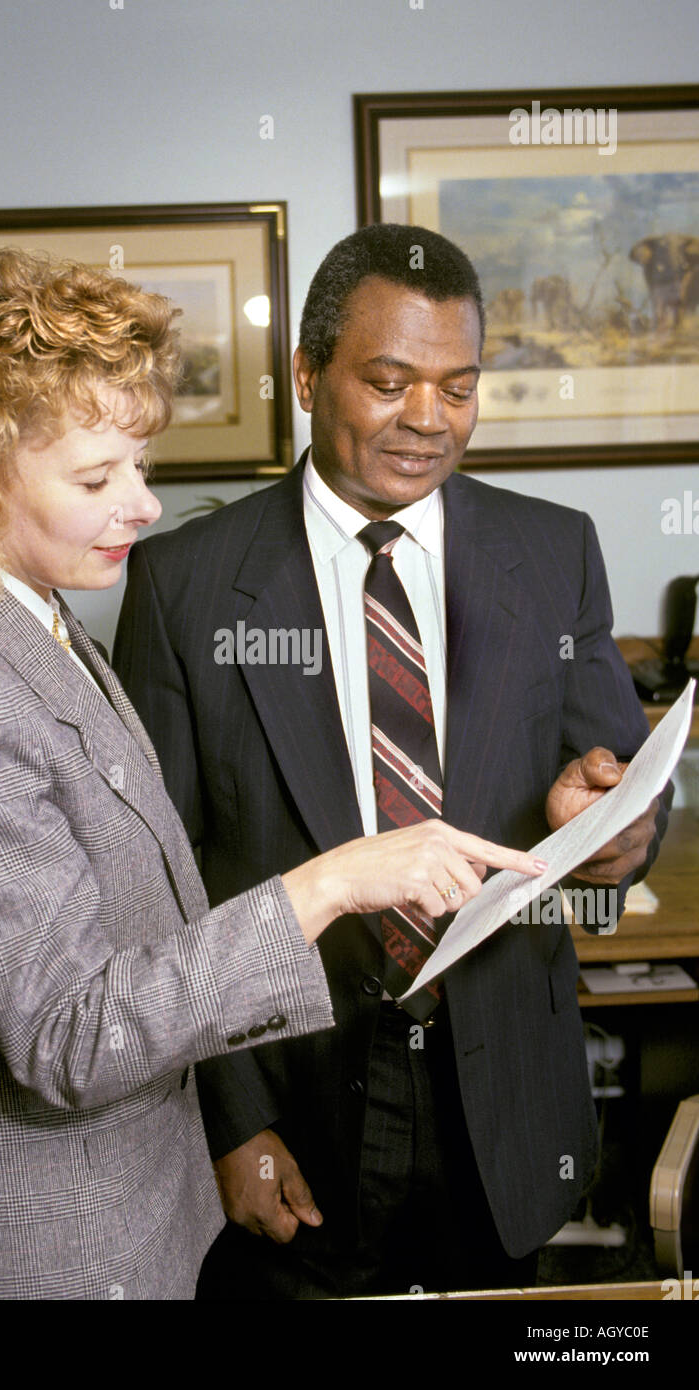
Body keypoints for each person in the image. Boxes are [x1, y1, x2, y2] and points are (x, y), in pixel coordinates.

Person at [0, 247, 544, 1301]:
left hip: (137, 1217)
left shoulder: (28, 620)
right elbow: (72, 1035)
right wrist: (332, 882)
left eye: (139, 466)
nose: (143, 507)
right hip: (38, 1257)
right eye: (95, 478)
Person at [113, 224, 669, 1300]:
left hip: (505, 1108)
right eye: (388, 381)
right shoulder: (182, 584)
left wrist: (606, 835)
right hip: (294, 1107)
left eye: (458, 388)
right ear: (307, 374)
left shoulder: (554, 551)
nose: (428, 419)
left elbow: (623, 805)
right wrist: (232, 1123)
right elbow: (157, 888)